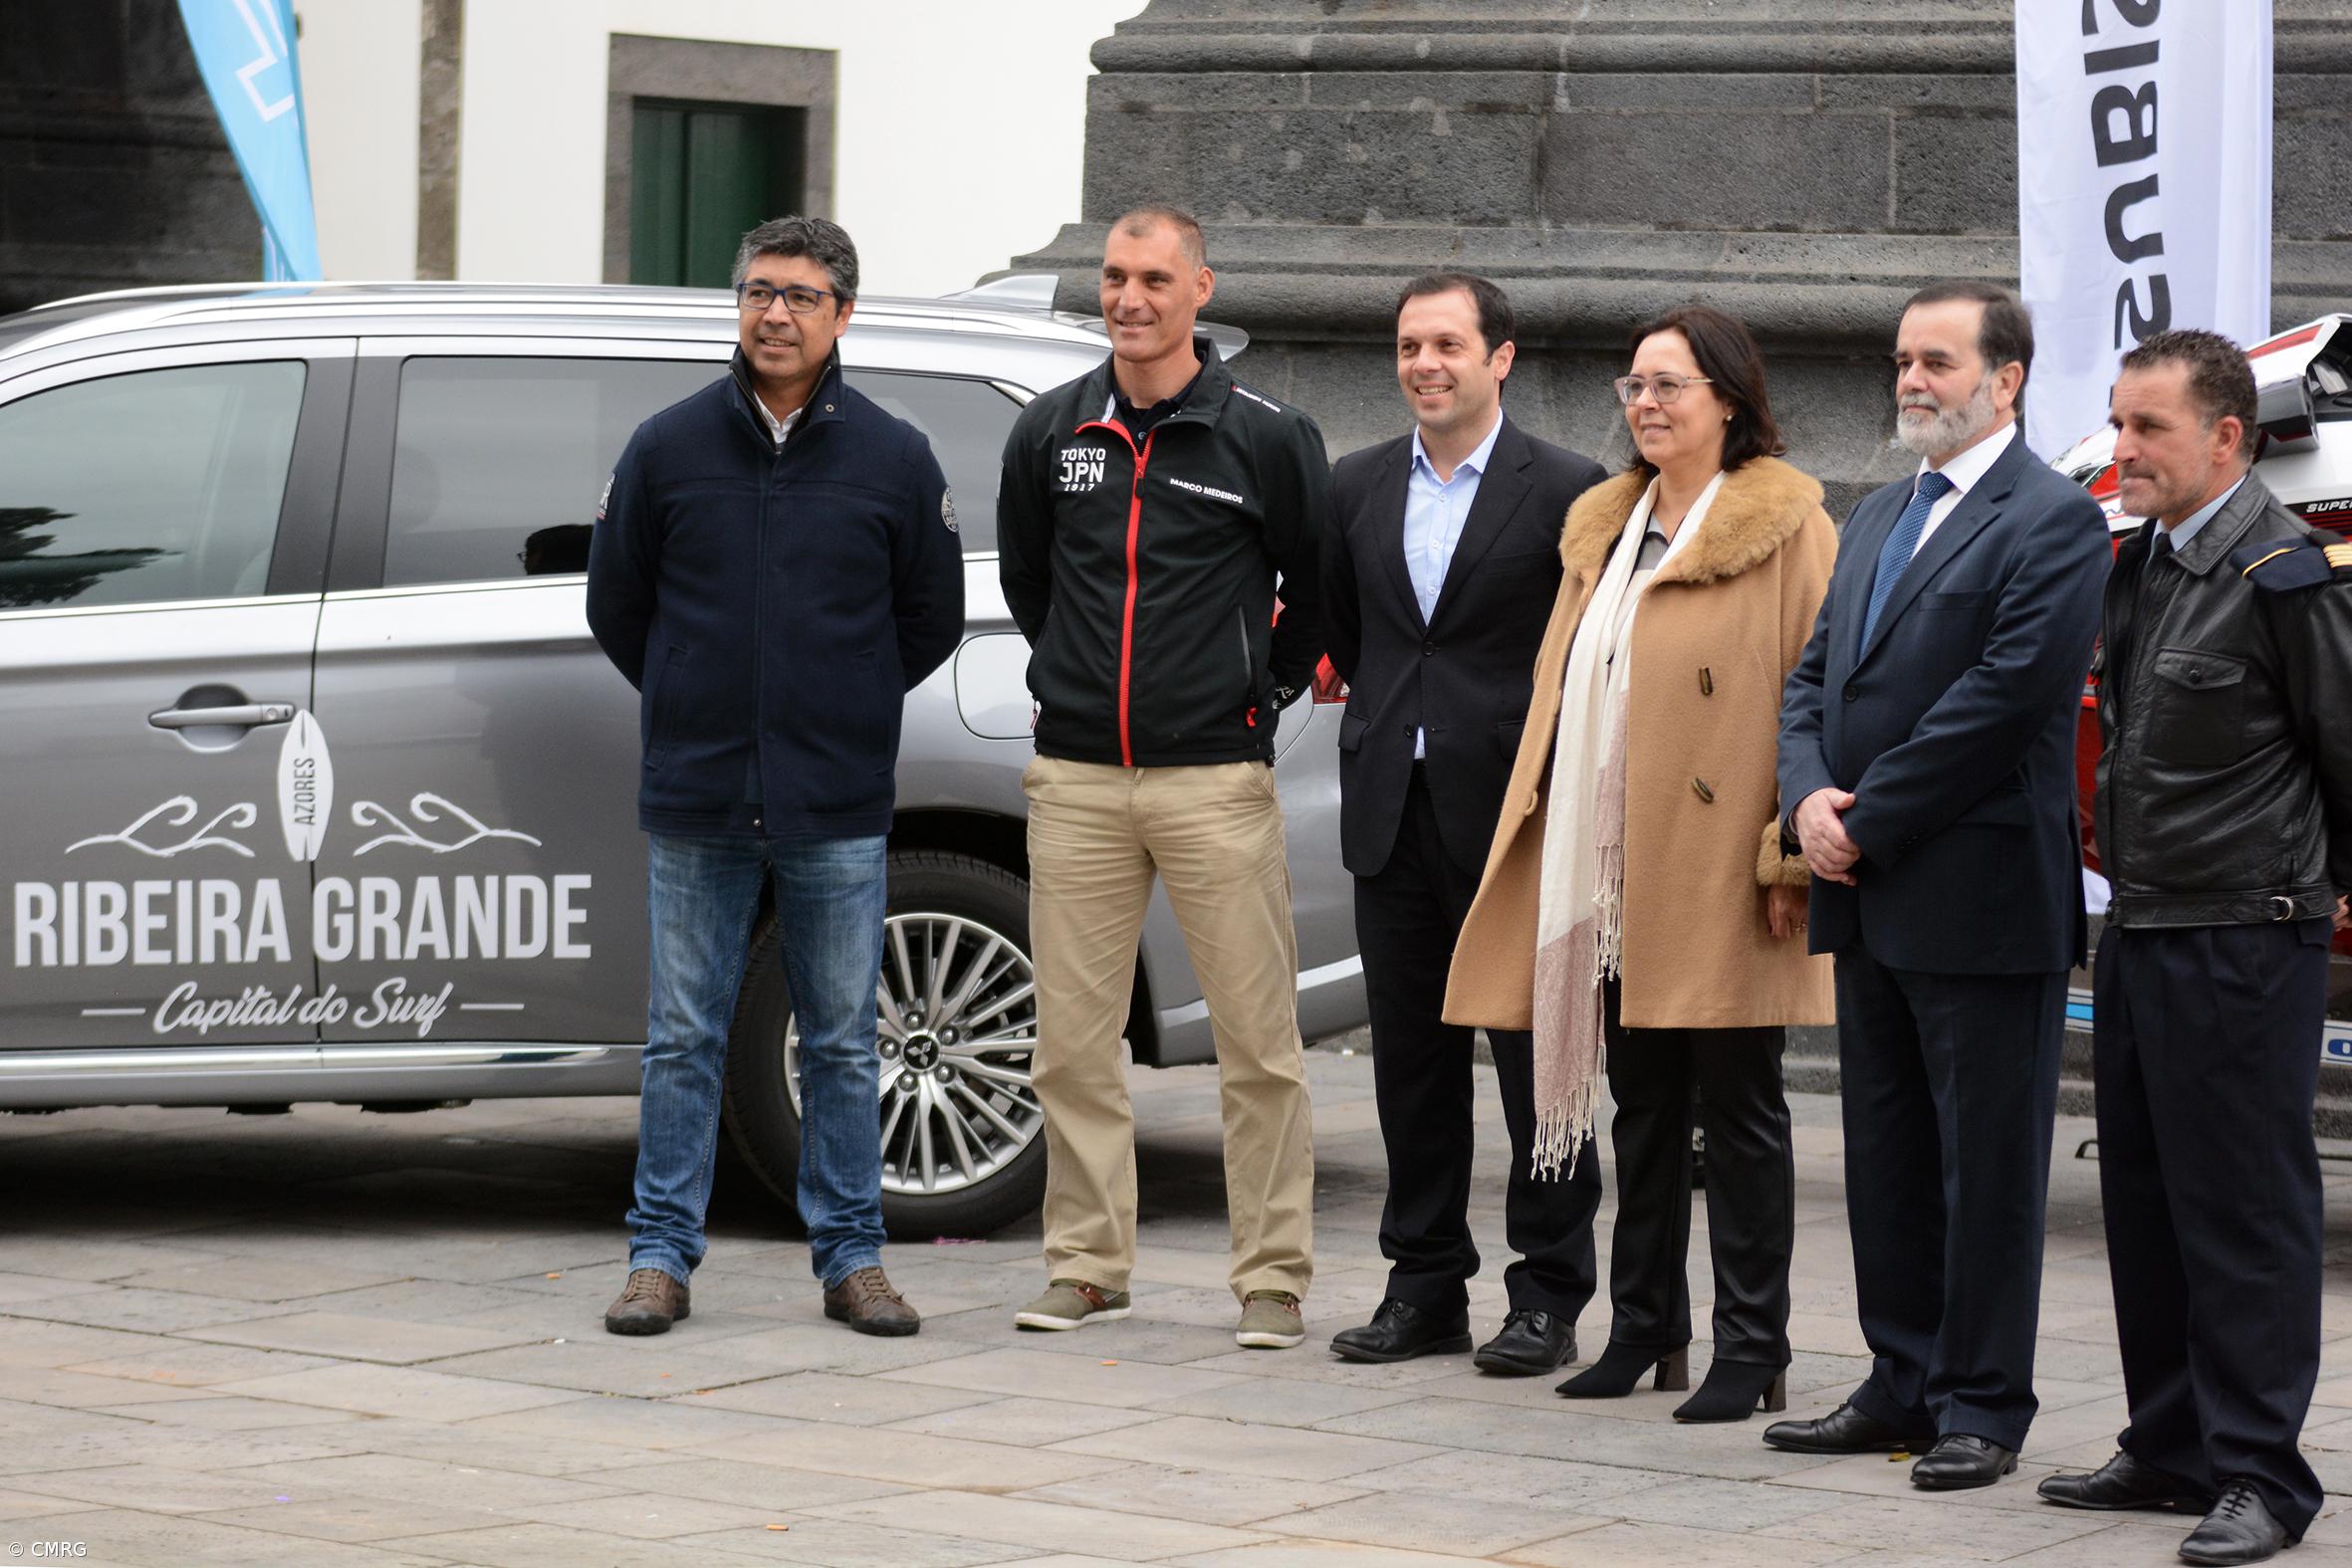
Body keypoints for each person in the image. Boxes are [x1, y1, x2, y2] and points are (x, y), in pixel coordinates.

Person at [1445, 305, 1835, 1420]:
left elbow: (1818, 693)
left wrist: (1784, 852)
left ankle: (1752, 1349)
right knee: (1641, 1105)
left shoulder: (1786, 522)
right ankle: (1645, 1328)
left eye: (1670, 384)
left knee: (1741, 1109)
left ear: (1728, 397)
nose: (1648, 404)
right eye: (1634, 387)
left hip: (1719, 860)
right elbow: (1561, 694)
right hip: (1606, 869)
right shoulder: (1605, 525)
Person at [585, 216, 963, 1338]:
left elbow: (928, 617)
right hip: (697, 790)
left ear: (842, 314)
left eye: (800, 296)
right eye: (759, 291)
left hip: (834, 798)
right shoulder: (666, 445)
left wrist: (840, 700)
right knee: (683, 1034)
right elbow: (619, 606)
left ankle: (852, 1259)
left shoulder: (895, 458)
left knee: (844, 1036)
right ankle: (660, 1256)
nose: (775, 313)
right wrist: (692, 689)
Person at [1766, 282, 2108, 1486]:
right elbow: (1811, 681)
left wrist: (1869, 820)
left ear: (2004, 379)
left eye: (1938, 361)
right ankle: (1899, 1380)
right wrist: (1805, 799)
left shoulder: (2054, 519)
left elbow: (2006, 699)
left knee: (1988, 1168)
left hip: (1975, 896)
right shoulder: (1873, 514)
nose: (1912, 379)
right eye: (1904, 359)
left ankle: (1981, 1403)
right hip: (1866, 890)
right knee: (1889, 1155)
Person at [2035, 331, 2352, 1566]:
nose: (2121, 453)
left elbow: (2344, 755)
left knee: (2245, 1212)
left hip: (2242, 935)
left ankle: (2263, 1475)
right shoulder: (2140, 565)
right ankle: (2170, 1445)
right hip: (2144, 928)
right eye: (2117, 427)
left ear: (2226, 438)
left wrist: (2323, 897)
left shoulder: (2283, 574)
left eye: (2147, 430)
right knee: (2149, 1204)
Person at [996, 205, 1332, 1349]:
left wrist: (1254, 698)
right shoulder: (1052, 431)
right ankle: (1088, 1266)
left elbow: (1317, 593)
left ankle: (1271, 1279)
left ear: (1200, 288)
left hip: (1211, 781)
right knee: (1073, 1044)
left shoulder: (1265, 437)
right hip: (1079, 778)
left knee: (1256, 1043)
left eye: (1152, 278)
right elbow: (1032, 584)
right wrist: (1071, 686)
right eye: (1113, 276)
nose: (1128, 298)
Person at [1319, 272, 1607, 1375]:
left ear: (1500, 358)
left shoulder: (1569, 491)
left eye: (1446, 344)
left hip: (1515, 821)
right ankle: (1424, 1283)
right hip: (1391, 813)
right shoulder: (1354, 486)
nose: (1424, 365)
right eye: (1407, 346)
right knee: (1411, 1064)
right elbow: (1355, 633)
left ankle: (1546, 1293)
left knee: (1539, 1065)